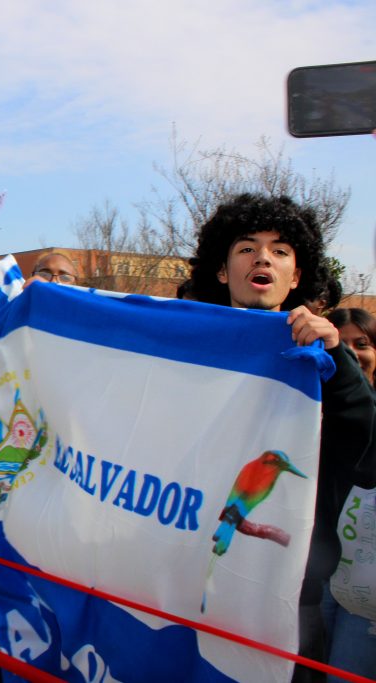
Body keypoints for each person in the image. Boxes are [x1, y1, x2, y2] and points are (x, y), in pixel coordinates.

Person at [188, 194, 376, 681]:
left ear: (295, 277)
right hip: (189, 580)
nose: (263, 258)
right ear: (222, 271)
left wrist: (337, 365)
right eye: (247, 248)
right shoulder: (188, 353)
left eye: (280, 250)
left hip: (290, 599)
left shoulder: (325, 360)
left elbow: (366, 446)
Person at [323, 308, 376, 683]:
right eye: (339, 344)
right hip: (314, 576)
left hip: (365, 592)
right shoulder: (304, 405)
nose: (351, 352)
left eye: (362, 343)